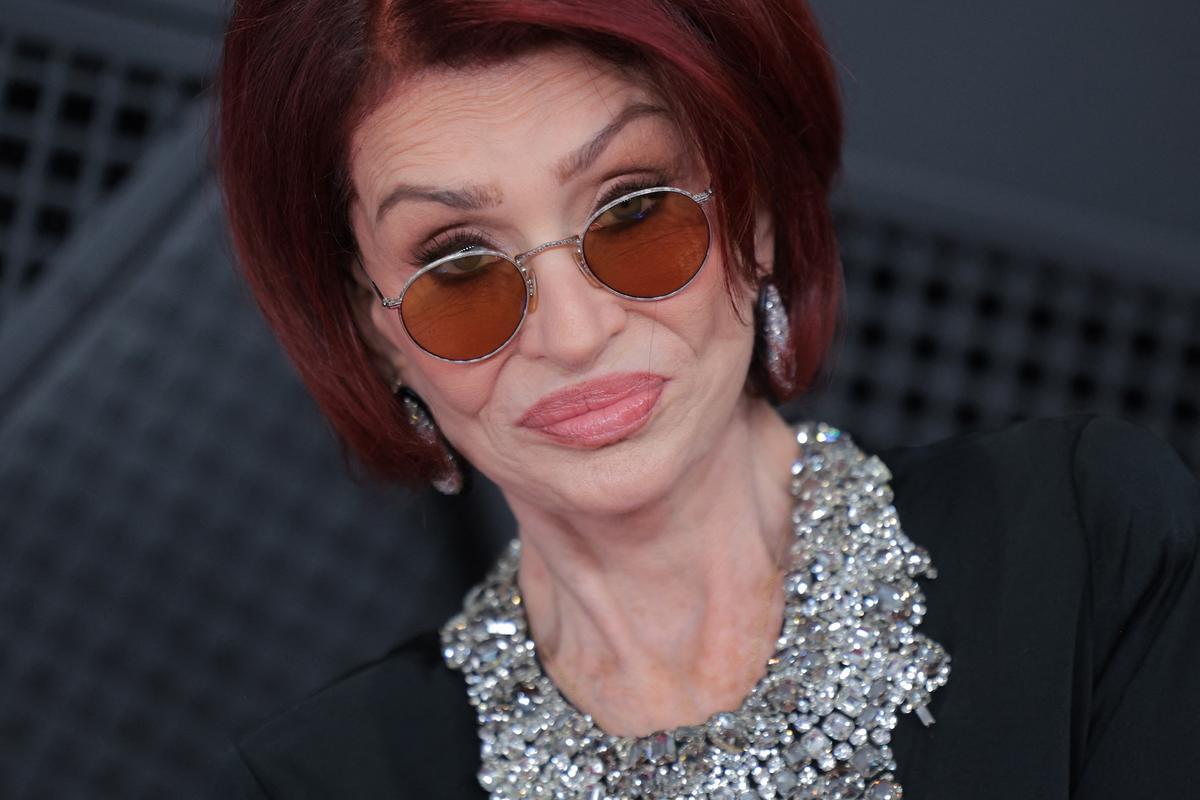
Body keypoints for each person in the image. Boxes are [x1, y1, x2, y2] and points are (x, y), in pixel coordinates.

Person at [215, 1, 1200, 797]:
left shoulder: (1088, 546)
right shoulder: (319, 782)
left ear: (756, 213)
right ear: (375, 332)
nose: (574, 332)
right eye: (459, 270)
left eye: (636, 212)